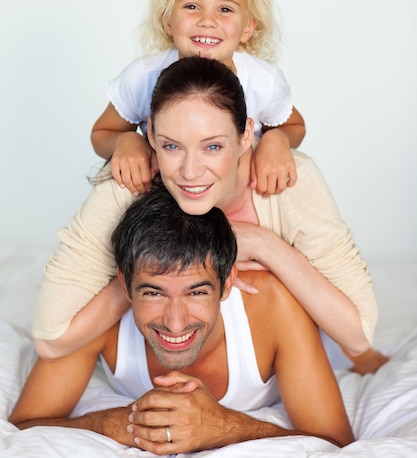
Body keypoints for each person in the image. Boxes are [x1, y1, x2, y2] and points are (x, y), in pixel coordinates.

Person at [32, 57, 385, 376]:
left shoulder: (290, 179)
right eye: (171, 146)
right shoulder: (127, 182)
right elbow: (50, 341)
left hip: (277, 357)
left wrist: (261, 244)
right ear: (151, 134)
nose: (189, 171)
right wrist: (150, 275)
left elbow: (357, 335)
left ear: (246, 135)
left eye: (212, 146)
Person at [9, 186, 355, 452]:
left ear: (227, 282)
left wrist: (221, 426)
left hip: (306, 334)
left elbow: (334, 441)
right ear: (125, 286)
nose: (175, 324)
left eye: (197, 292)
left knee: (352, 351)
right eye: (153, 293)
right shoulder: (100, 316)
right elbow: (24, 425)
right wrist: (121, 423)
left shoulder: (276, 306)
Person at [91, 0, 305, 197]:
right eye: (192, 6)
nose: (207, 20)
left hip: (240, 194)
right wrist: (125, 141)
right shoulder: (142, 76)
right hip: (173, 196)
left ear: (248, 27)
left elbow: (295, 126)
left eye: (225, 9)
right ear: (168, 19)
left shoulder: (264, 81)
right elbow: (101, 132)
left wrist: (277, 139)